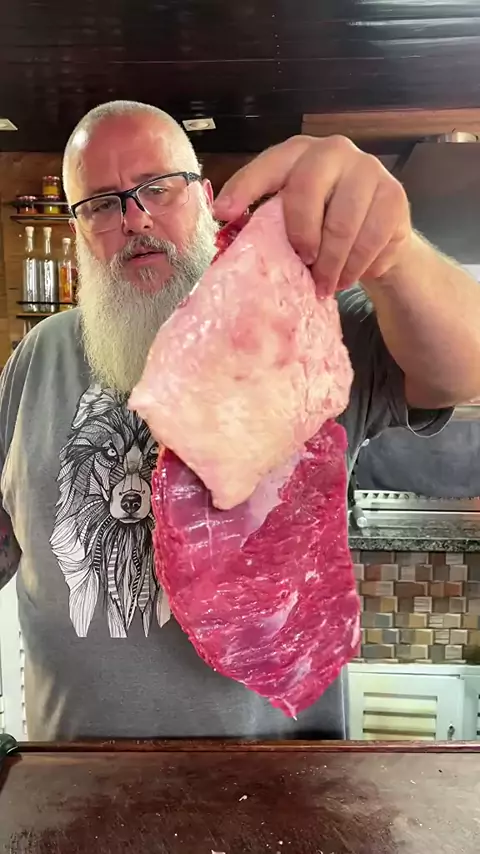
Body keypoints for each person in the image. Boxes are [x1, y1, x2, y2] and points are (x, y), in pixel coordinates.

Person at [1, 100, 480, 743]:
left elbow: (463, 369)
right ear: (78, 229)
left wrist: (394, 254)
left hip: (278, 781)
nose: (135, 219)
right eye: (101, 204)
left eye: (157, 188)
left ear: (205, 197)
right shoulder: (38, 356)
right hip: (76, 781)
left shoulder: (302, 324)